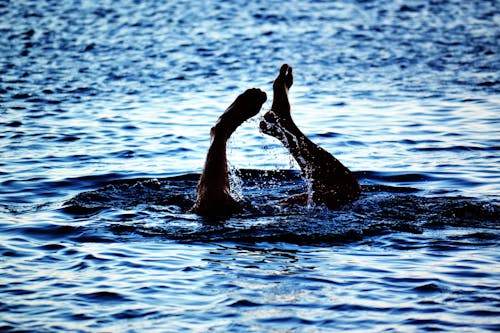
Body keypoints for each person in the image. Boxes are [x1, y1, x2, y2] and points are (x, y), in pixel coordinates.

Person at [192, 64, 360, 216]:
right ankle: (221, 132)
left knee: (346, 191)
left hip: (251, 220)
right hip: (238, 225)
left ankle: (283, 124)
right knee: (213, 207)